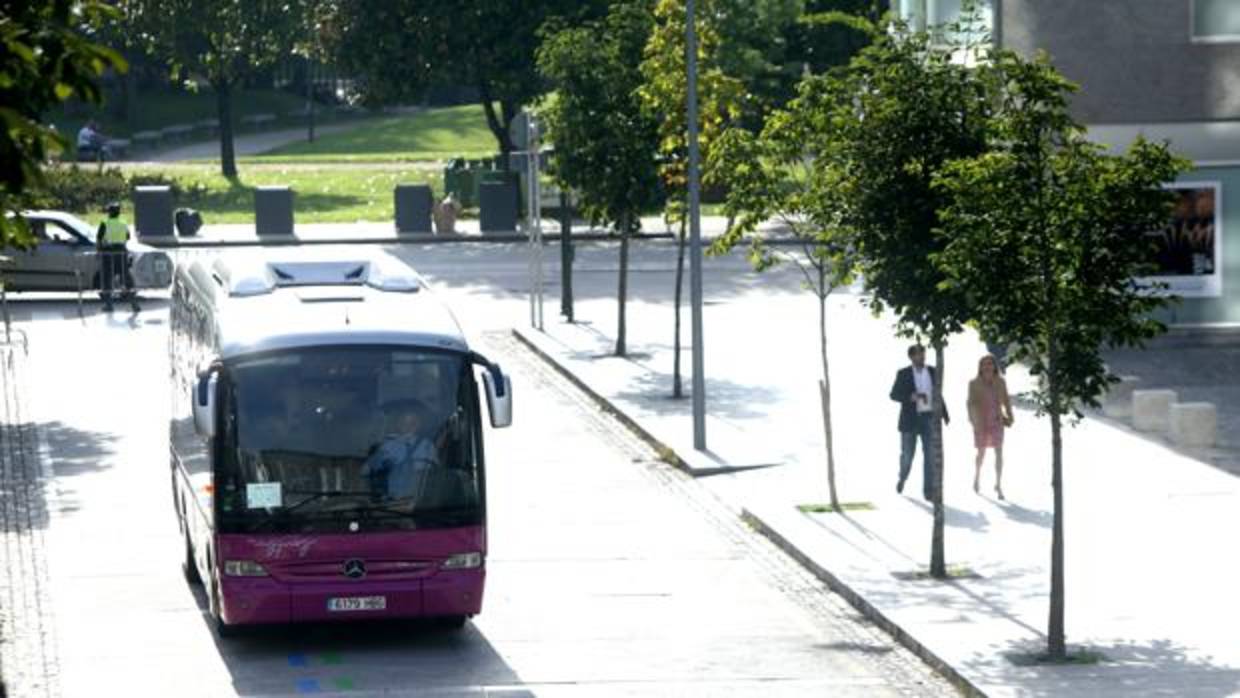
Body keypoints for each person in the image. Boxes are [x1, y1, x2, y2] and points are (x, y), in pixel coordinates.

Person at [889, 344, 949, 501]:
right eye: (918, 355)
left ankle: (928, 491)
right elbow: (894, 394)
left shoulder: (933, 371)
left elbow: (938, 392)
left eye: (923, 355)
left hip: (929, 418)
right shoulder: (903, 373)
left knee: (930, 456)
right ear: (911, 357)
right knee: (908, 455)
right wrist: (911, 396)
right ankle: (903, 477)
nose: (921, 358)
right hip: (910, 419)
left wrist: (944, 413)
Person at [362, 400, 440, 501]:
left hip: (419, 501)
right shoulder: (388, 445)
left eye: (413, 423)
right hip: (391, 501)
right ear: (398, 424)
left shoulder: (427, 446)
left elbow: (435, 475)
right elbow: (366, 471)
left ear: (419, 424)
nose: (408, 427)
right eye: (404, 422)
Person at [967, 354, 1014, 500]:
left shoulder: (1001, 382)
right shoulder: (973, 383)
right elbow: (970, 403)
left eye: (990, 364)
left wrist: (1010, 415)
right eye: (984, 364)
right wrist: (974, 421)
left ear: (995, 366)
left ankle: (998, 484)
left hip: (997, 420)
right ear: (980, 367)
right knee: (981, 453)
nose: (987, 367)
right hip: (981, 422)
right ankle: (977, 477)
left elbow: (1006, 400)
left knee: (999, 452)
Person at [95, 202, 138, 313]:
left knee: (107, 280)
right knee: (126, 279)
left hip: (108, 254)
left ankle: (109, 305)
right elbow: (128, 237)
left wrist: (98, 251)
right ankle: (134, 304)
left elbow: (99, 239)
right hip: (121, 253)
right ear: (118, 213)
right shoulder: (123, 223)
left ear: (109, 212)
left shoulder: (104, 223)